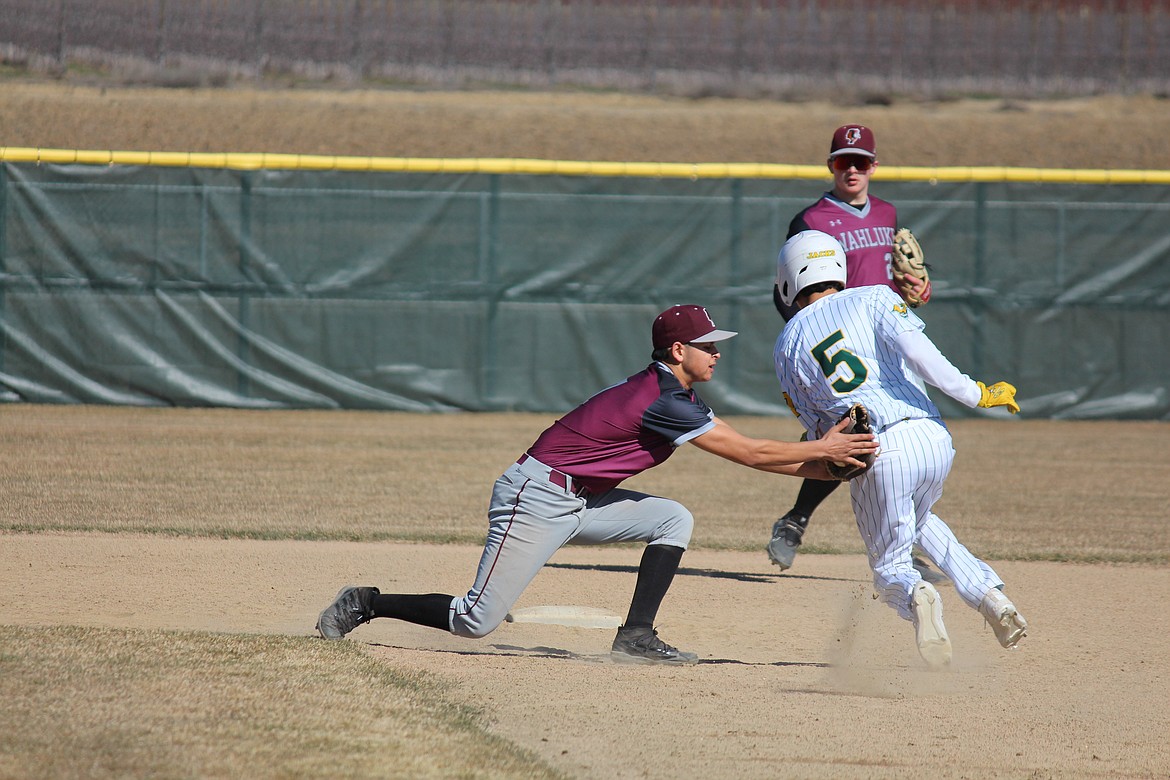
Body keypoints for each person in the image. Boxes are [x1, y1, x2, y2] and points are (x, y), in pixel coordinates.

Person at [315, 304, 878, 665]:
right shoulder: (662, 400)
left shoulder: (674, 395)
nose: (717, 352)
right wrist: (825, 449)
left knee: (672, 517)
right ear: (678, 351)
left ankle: (635, 637)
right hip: (534, 499)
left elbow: (757, 456)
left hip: (581, 499)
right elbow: (752, 453)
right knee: (475, 620)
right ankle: (368, 602)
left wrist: (827, 465)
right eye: (708, 344)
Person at [772, 230, 1027, 667]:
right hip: (933, 438)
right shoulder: (874, 296)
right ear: (838, 268)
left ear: (787, 282)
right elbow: (922, 355)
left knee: (890, 567)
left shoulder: (787, 344)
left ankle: (916, 593)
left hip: (877, 447)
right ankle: (990, 597)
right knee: (920, 521)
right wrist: (975, 393)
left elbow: (820, 436)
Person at [766, 123, 932, 570]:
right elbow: (789, 288)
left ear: (874, 166)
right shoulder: (811, 220)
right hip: (845, 348)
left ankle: (807, 523)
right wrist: (810, 343)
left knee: (909, 442)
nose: (852, 169)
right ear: (831, 166)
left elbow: (894, 276)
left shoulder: (887, 213)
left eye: (860, 161)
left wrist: (913, 287)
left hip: (889, 344)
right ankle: (800, 520)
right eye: (843, 161)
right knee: (858, 443)